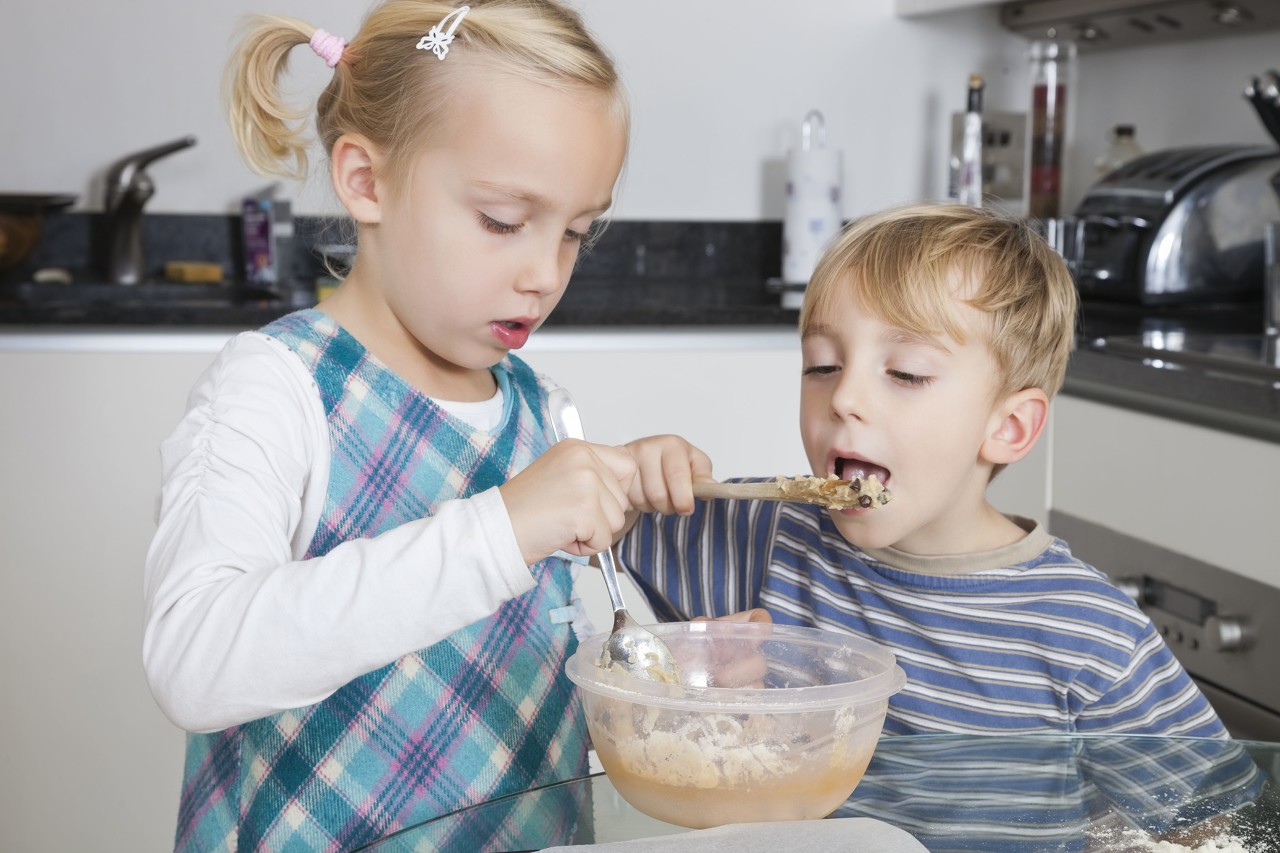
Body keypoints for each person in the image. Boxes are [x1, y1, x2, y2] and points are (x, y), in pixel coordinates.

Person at [141, 3, 670, 850]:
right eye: (502, 220)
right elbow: (195, 661)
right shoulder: (277, 390)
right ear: (366, 181)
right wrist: (504, 527)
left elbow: (557, 650)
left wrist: (670, 647)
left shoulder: (543, 407)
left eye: (576, 232)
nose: (545, 274)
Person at [617, 202, 1227, 738]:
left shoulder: (1092, 637)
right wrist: (633, 480)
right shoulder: (762, 537)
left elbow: (1218, 824)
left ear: (1007, 427)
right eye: (823, 366)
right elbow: (568, 524)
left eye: (906, 372)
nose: (844, 397)